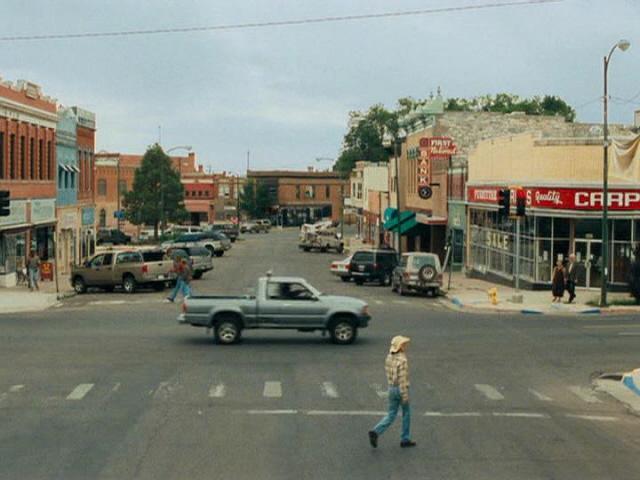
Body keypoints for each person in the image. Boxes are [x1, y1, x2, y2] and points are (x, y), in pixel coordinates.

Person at [369, 336, 416, 449]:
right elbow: (402, 379)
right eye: (404, 344)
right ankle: (405, 439)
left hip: (391, 388)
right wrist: (405, 396)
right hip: (400, 389)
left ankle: (376, 431)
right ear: (400, 347)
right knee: (406, 413)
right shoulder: (403, 360)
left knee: (391, 414)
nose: (405, 346)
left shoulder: (389, 357)